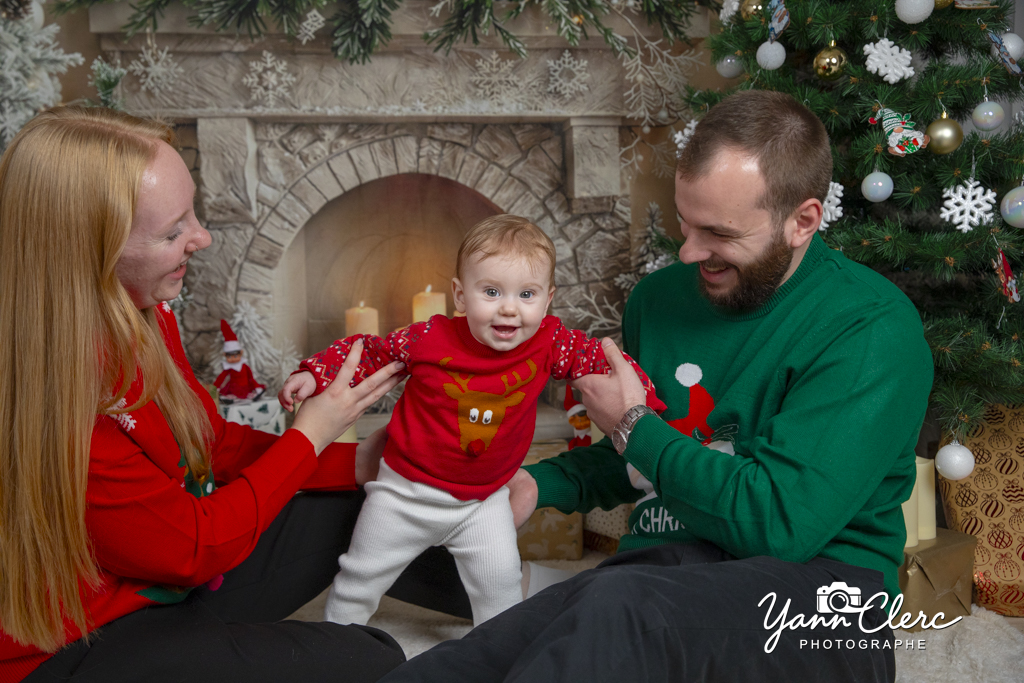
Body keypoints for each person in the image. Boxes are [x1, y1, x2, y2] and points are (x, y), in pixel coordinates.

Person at [379, 90, 933, 683]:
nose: (690, 252)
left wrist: (632, 424)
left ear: (802, 221)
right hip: (661, 570)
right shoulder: (658, 301)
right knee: (484, 651)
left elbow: (778, 524)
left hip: (820, 603)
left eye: (718, 233)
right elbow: (648, 459)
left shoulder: (870, 329)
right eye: (684, 223)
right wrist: (535, 484)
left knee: (614, 608)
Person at [0, 106, 454, 683]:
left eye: (193, 212)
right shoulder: (57, 400)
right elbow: (195, 547)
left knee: (369, 505)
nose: (203, 237)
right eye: (173, 232)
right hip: (79, 643)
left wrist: (364, 462)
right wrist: (309, 435)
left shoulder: (143, 310)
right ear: (88, 250)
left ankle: (516, 594)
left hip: (171, 584)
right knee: (373, 658)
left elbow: (208, 444)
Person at [280, 215, 665, 627]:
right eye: (492, 291)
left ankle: (497, 652)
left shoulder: (550, 341)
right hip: (402, 494)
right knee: (359, 579)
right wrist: (316, 373)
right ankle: (334, 642)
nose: (509, 308)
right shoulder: (428, 338)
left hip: (483, 503)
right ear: (461, 295)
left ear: (547, 300)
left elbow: (601, 361)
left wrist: (643, 403)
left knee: (500, 588)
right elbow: (370, 352)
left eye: (527, 294)